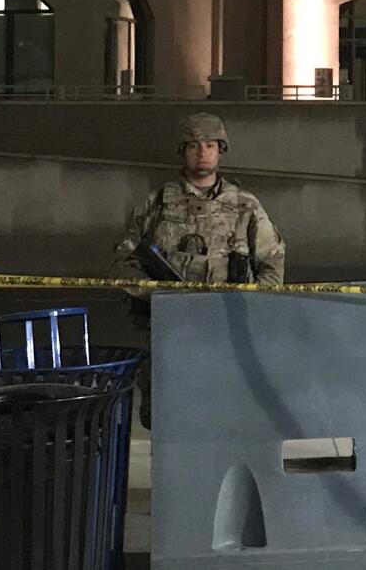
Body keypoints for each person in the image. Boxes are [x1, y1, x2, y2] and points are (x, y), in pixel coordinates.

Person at [112, 112, 286, 426]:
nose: (202, 152)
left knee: (230, 413)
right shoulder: (157, 205)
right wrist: (156, 293)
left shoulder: (245, 206)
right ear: (183, 151)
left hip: (229, 328)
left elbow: (272, 262)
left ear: (221, 149)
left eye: (210, 144)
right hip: (171, 328)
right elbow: (123, 262)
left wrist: (252, 302)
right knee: (168, 415)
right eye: (193, 145)